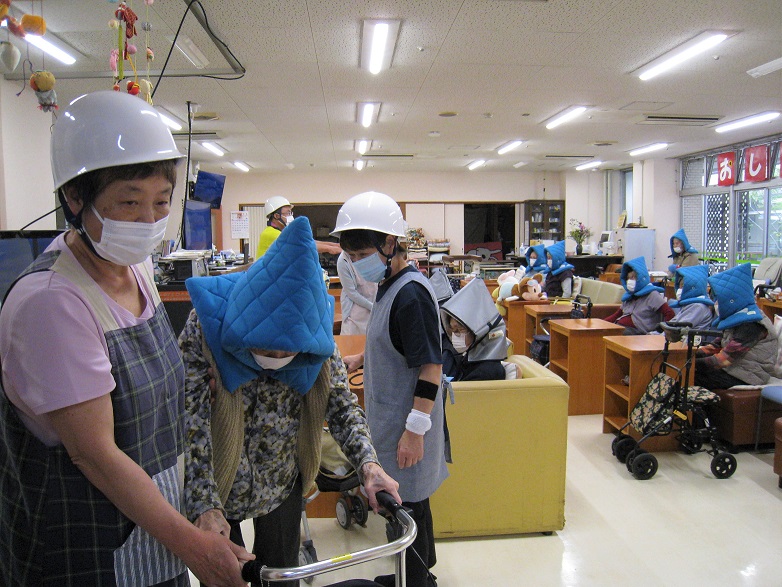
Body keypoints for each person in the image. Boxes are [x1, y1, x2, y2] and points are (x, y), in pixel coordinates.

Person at [0, 91, 252, 586]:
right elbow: (95, 454)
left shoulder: (134, 269)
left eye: (161, 201)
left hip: (157, 532)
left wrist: (199, 508)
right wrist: (193, 548)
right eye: (129, 202)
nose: (148, 221)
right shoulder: (52, 303)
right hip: (86, 547)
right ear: (75, 198)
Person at [181, 216, 401, 587]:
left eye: (289, 351)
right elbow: (191, 420)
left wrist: (369, 464)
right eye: (267, 348)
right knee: (222, 576)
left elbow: (342, 405)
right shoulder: (206, 326)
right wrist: (203, 505)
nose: (278, 357)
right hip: (217, 473)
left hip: (282, 473)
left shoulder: (315, 335)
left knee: (282, 575)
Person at [333, 191, 447, 587]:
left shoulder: (411, 294)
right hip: (391, 418)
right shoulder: (390, 283)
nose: (356, 262)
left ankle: (414, 581)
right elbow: (396, 341)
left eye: (363, 253)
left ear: (390, 242)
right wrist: (361, 358)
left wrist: (415, 432)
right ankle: (416, 575)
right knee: (408, 501)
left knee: (404, 506)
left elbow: (431, 366)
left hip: (407, 424)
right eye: (351, 255)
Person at [694, 263, 779, 389]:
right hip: (734, 369)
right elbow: (716, 346)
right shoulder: (736, 318)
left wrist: (692, 363)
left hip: (748, 375)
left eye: (718, 300)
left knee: (690, 376)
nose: (715, 303)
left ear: (731, 300)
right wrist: (689, 354)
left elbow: (724, 359)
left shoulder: (752, 324)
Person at [440, 277, 509, 382]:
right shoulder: (463, 357)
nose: (455, 336)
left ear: (477, 331)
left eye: (459, 330)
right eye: (452, 331)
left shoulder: (488, 371)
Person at [256, 195, 342, 259]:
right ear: (276, 216)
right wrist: (330, 249)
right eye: (288, 213)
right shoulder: (270, 233)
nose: (290, 216)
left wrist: (336, 245)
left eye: (291, 213)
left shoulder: (281, 232)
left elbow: (308, 241)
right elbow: (303, 245)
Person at [605, 256, 674, 335]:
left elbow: (670, 313)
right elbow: (617, 315)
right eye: (628, 278)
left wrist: (659, 331)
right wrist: (601, 323)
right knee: (602, 333)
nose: (629, 281)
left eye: (633, 278)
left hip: (637, 332)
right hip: (620, 326)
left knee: (612, 334)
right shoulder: (629, 296)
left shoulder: (652, 295)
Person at [337, 250, 378, 335]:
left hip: (374, 306)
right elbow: (351, 293)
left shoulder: (372, 252)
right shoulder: (342, 261)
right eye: (352, 255)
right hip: (355, 311)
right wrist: (372, 307)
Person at [667, 264, 714, 330]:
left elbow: (677, 329)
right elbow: (672, 324)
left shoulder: (698, 307)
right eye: (679, 286)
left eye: (683, 287)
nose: (679, 290)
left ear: (692, 288)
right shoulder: (690, 305)